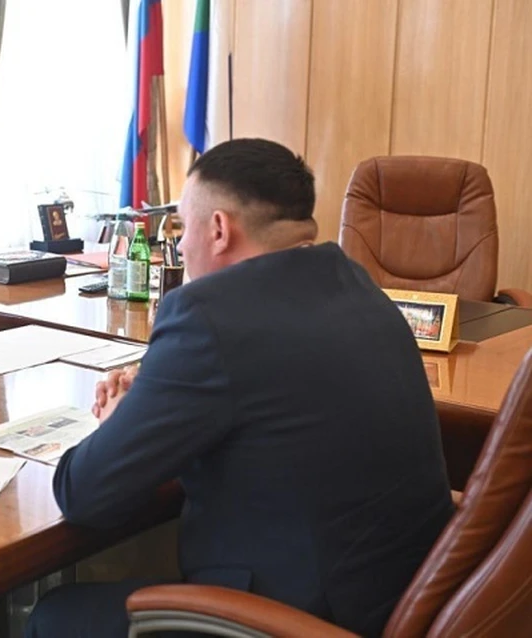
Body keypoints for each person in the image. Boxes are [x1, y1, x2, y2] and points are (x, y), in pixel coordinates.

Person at [26, 139, 454, 637]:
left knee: (55, 617)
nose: (181, 246)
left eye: (181, 228)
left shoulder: (208, 317)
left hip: (298, 618)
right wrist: (163, 394)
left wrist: (121, 419)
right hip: (403, 599)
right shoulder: (354, 283)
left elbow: (84, 493)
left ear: (219, 229)